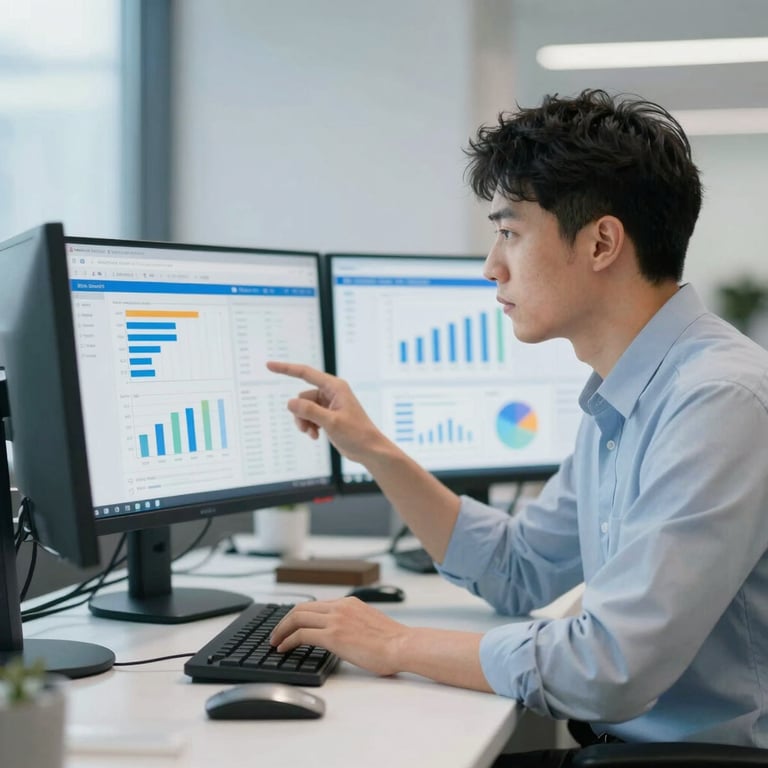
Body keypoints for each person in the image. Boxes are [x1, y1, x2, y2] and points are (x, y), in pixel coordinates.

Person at [267, 89, 768, 765]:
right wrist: (372, 448)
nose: (490, 267)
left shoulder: (718, 401)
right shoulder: (626, 398)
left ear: (601, 242)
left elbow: (610, 667)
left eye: (509, 232)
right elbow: (520, 567)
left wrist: (397, 644)